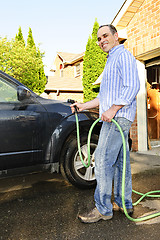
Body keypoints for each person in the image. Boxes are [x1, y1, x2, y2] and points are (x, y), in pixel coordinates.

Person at [70, 24, 140, 223]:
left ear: (116, 36)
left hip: (118, 117)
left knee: (101, 159)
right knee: (119, 162)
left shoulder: (123, 56)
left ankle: (103, 209)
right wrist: (83, 106)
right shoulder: (110, 62)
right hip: (115, 115)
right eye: (99, 39)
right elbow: (103, 97)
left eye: (105, 36)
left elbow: (132, 86)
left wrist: (113, 109)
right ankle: (123, 202)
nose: (101, 41)